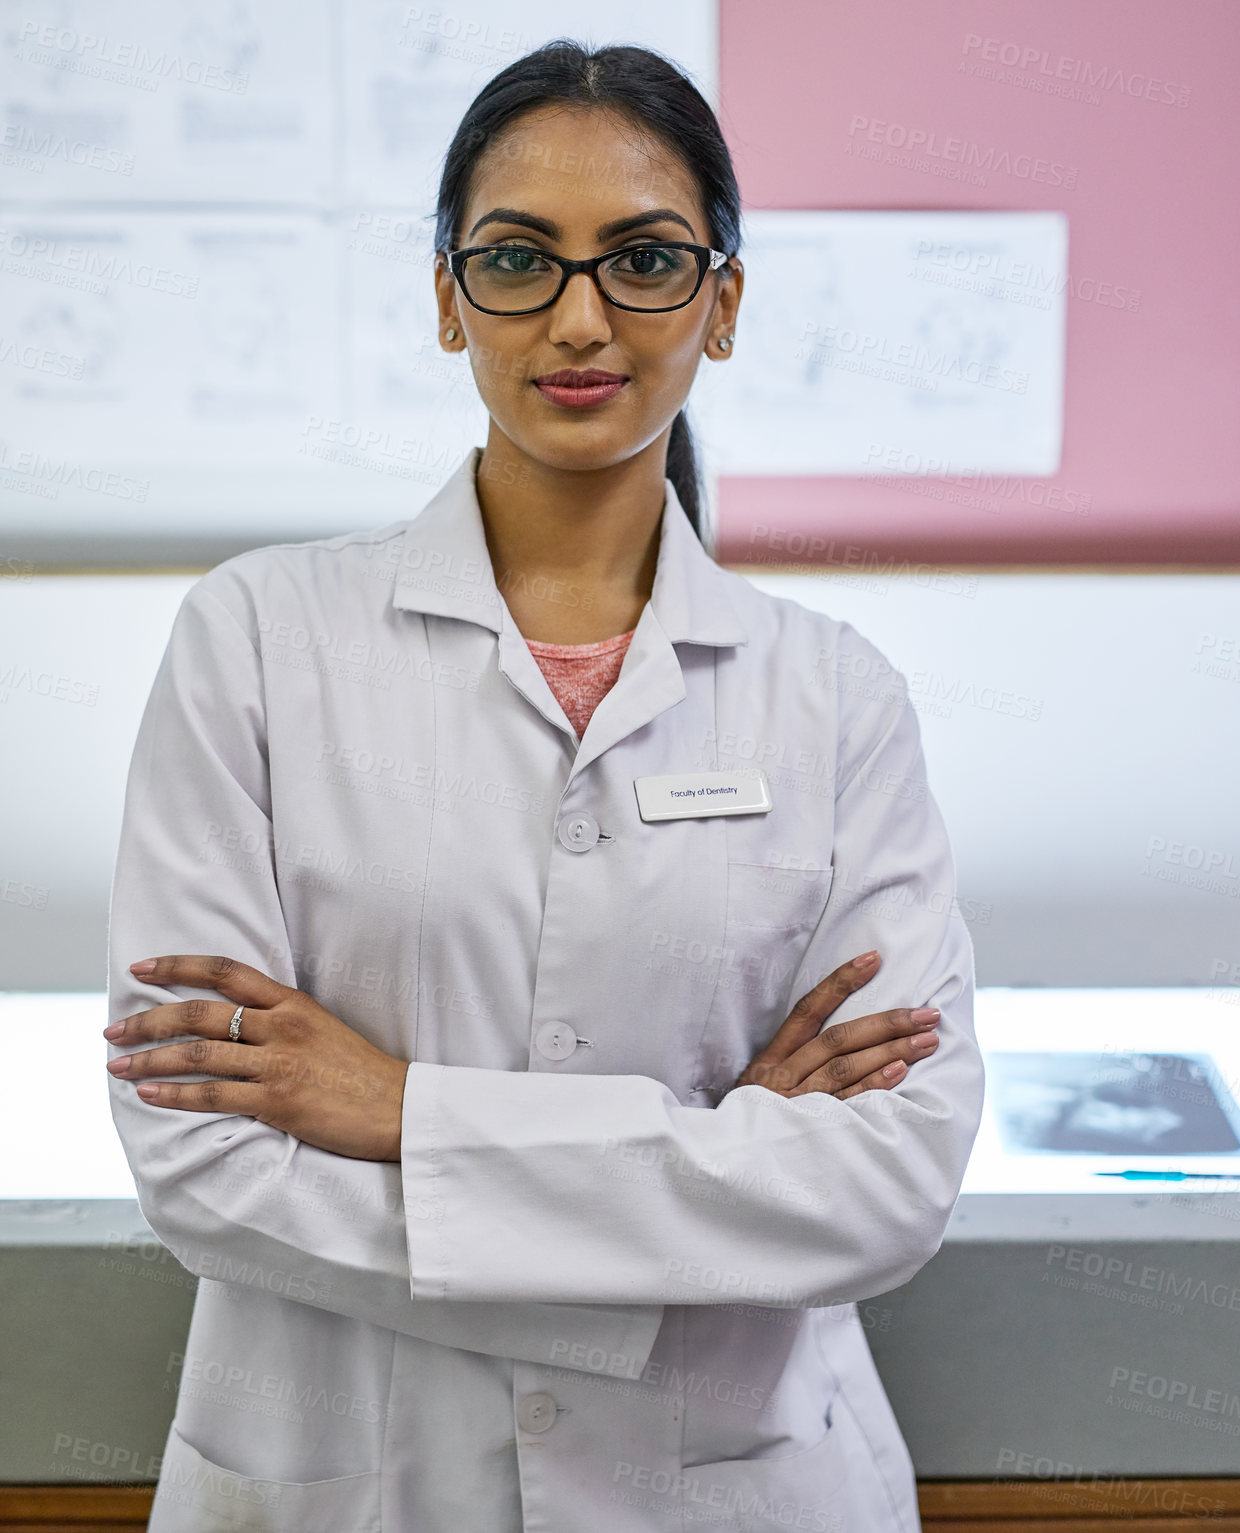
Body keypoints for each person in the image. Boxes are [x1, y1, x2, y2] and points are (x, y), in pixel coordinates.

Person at [105, 38, 984, 1533]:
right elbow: (201, 1158)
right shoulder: (255, 642)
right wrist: (704, 1198)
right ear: (449, 298)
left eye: (644, 258)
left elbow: (887, 1178)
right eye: (518, 257)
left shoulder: (834, 696)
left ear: (724, 301)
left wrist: (395, 1109)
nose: (581, 316)